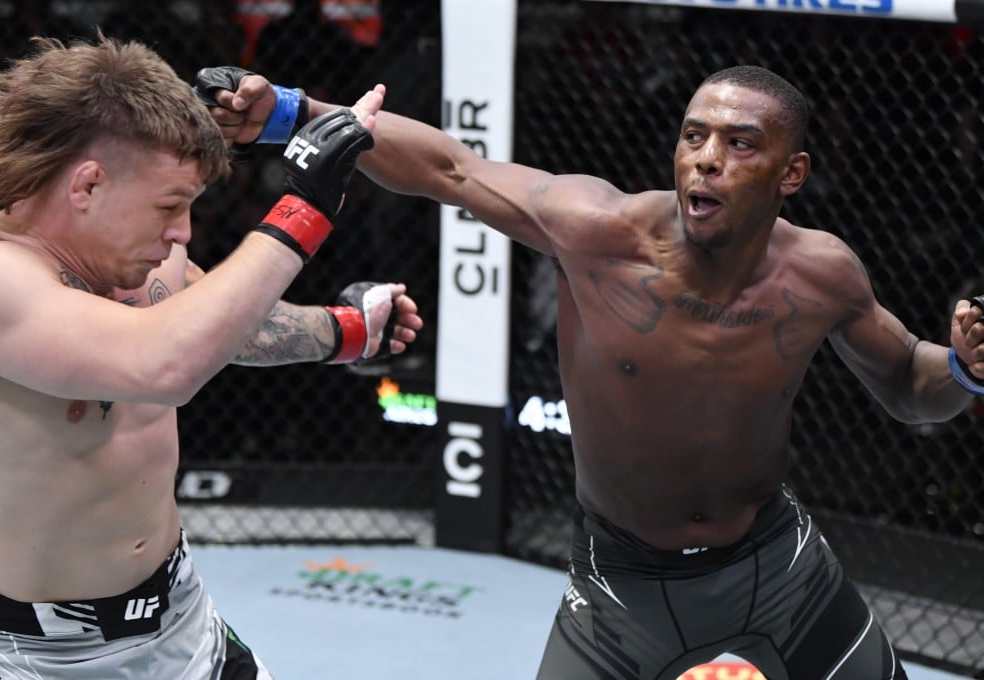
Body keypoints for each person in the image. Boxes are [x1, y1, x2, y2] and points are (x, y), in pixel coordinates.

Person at [203, 65, 984, 679]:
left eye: (741, 144)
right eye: (694, 136)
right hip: (620, 584)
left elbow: (913, 389)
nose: (707, 159)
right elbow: (451, 169)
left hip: (777, 564)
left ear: (793, 172)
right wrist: (284, 115)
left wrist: (964, 368)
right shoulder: (601, 232)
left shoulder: (824, 275)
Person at [0, 35, 423, 679]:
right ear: (88, 185)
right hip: (37, 658)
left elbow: (221, 325)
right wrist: (305, 209)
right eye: (169, 207)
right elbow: (163, 364)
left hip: (184, 622)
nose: (181, 233)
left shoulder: (135, 250)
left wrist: (349, 331)